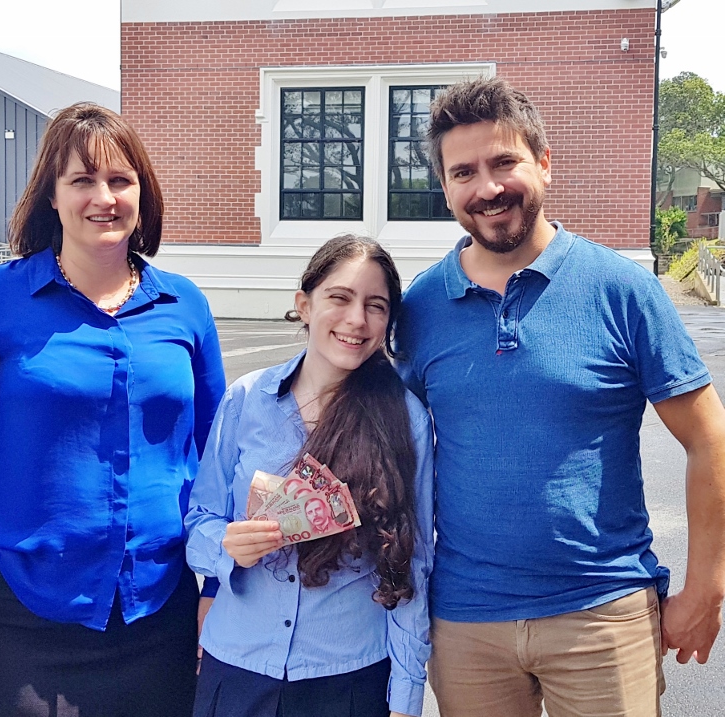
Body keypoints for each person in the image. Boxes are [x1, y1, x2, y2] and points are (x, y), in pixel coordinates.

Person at [395, 77, 725, 716]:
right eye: (463, 172)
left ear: (544, 163)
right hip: (466, 623)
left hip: (603, 616)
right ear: (446, 189)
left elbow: (707, 436)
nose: (487, 188)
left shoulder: (621, 290)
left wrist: (706, 588)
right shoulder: (421, 308)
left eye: (504, 162)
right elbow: (390, 448)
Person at [0, 103, 226, 716]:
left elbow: (221, 458)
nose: (104, 197)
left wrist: (218, 586)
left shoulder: (185, 306)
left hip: (158, 612)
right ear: (52, 198)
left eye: (120, 180)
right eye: (82, 181)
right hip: (19, 617)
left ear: (143, 194)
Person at [185, 235, 434, 717]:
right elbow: (199, 518)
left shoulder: (406, 418)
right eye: (339, 298)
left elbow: (413, 563)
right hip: (238, 666)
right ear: (303, 304)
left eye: (376, 306)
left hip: (347, 677)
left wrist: (405, 696)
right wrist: (226, 545)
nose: (356, 319)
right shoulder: (247, 398)